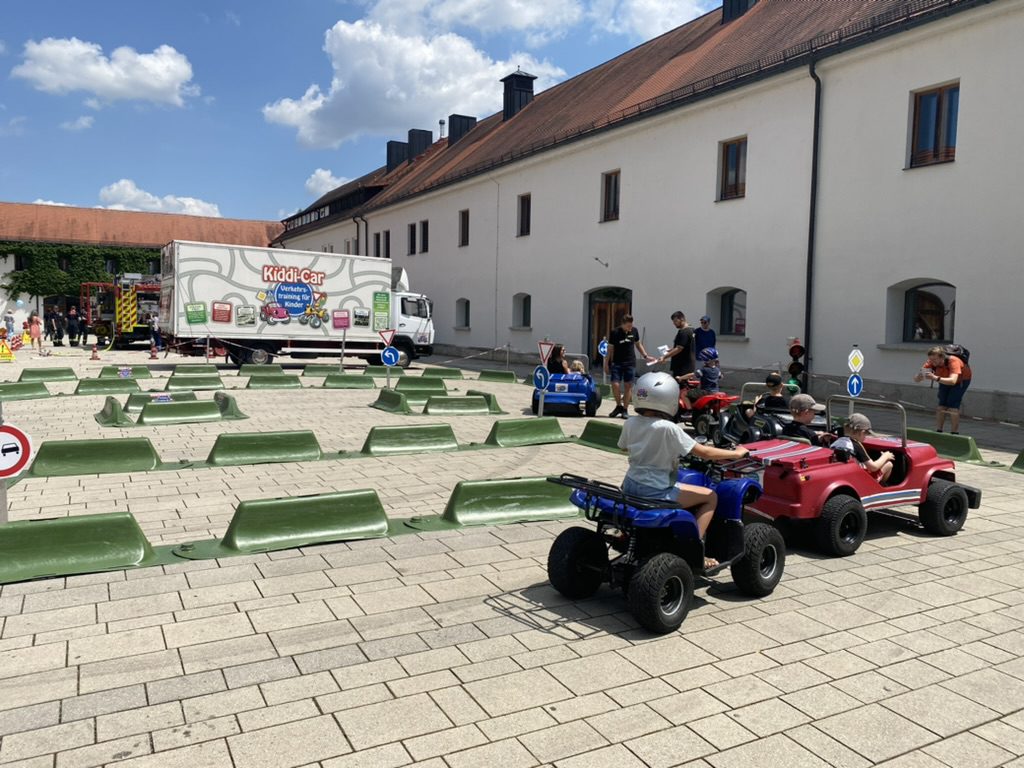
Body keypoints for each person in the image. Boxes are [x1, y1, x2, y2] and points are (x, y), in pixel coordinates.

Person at [618, 372, 749, 569]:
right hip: (657, 491)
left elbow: (623, 447)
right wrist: (737, 453)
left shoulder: (631, 422)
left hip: (629, 486)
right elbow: (704, 452)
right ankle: (694, 552)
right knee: (710, 496)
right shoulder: (668, 428)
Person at [913, 346, 971, 433]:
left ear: (942, 357)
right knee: (941, 405)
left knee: (953, 406)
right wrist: (919, 377)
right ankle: (939, 430)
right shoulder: (931, 362)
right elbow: (916, 379)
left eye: (935, 360)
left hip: (961, 381)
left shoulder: (953, 361)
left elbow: (953, 381)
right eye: (930, 359)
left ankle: (954, 432)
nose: (932, 362)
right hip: (943, 378)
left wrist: (935, 378)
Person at [605, 314, 654, 418]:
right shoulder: (615, 332)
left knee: (628, 386)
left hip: (630, 363)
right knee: (615, 384)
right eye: (628, 326)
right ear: (622, 324)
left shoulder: (634, 331)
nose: (630, 328)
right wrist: (606, 364)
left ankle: (625, 409)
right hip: (617, 363)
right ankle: (618, 406)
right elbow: (609, 349)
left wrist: (646, 356)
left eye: (631, 325)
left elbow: (638, 344)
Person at [841, 413, 894, 483]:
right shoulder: (856, 445)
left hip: (846, 474)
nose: (866, 436)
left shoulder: (840, 440)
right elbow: (873, 467)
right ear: (862, 432)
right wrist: (885, 456)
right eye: (867, 433)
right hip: (860, 480)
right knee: (889, 464)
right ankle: (880, 486)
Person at [658, 311, 695, 379]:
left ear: (682, 319)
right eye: (673, 321)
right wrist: (672, 350)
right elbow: (685, 346)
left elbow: (679, 348)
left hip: (682, 367)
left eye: (675, 321)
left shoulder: (684, 332)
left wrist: (664, 357)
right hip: (689, 366)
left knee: (680, 388)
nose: (674, 323)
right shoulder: (692, 330)